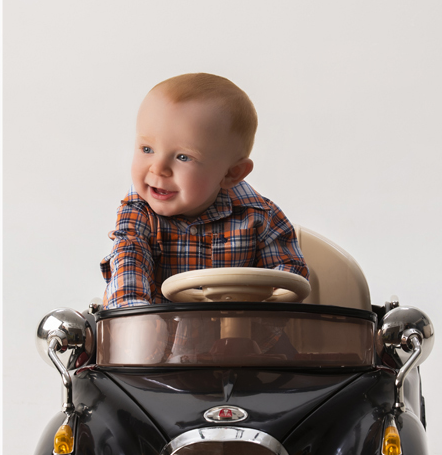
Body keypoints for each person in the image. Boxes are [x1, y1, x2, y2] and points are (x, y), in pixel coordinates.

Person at [101, 72, 308, 310]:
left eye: (183, 157)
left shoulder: (259, 216)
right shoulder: (138, 213)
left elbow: (290, 277)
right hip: (159, 340)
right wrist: (132, 309)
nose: (158, 168)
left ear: (232, 173)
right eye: (147, 148)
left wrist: (262, 302)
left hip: (246, 337)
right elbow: (129, 262)